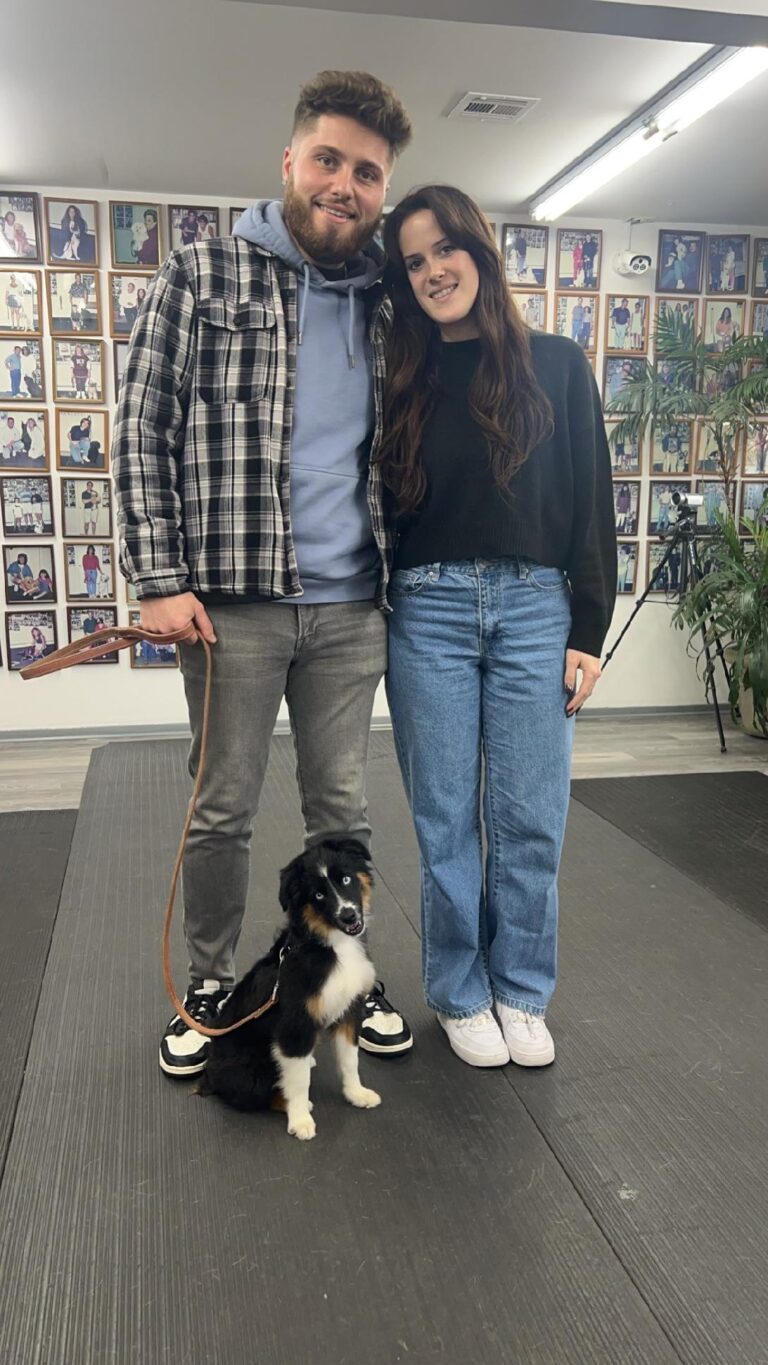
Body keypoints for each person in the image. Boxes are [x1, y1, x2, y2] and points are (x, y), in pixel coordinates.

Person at [113, 70, 415, 1078]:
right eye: (328, 160)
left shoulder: (390, 301)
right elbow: (141, 431)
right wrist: (158, 578)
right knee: (224, 806)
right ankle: (209, 981)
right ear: (290, 161)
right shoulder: (200, 275)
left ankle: (345, 974)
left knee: (344, 806)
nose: (345, 184)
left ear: (383, 188)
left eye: (366, 172)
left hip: (350, 604)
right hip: (227, 609)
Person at [378, 185, 616, 1068]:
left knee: (531, 817)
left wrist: (588, 627)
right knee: (445, 818)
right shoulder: (399, 375)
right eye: (414, 260)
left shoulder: (556, 363)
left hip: (535, 607)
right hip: (427, 610)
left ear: (479, 250)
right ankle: (458, 990)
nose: (435, 269)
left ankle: (521, 988)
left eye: (446, 248)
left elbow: (592, 501)